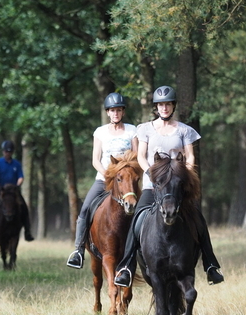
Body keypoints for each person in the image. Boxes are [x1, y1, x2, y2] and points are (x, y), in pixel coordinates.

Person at [114, 85, 224, 288]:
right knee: (137, 219)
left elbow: (189, 157)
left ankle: (210, 265)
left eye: (168, 104)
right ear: (156, 107)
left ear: (173, 106)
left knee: (198, 218)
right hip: (151, 186)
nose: (164, 108)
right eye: (161, 105)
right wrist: (152, 176)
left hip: (176, 187)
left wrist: (183, 176)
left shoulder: (184, 130)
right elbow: (141, 156)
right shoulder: (145, 129)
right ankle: (126, 267)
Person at [66, 93, 139, 269]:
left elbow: (136, 157)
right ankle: (78, 251)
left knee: (143, 209)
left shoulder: (132, 130)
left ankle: (143, 250)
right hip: (104, 179)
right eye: (113, 110)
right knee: (85, 210)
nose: (116, 113)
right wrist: (109, 174)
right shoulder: (100, 132)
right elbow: (95, 160)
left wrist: (126, 175)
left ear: (123, 112)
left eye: (119, 110)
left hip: (127, 182)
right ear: (108, 112)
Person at [0, 140, 34, 242]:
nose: (8, 153)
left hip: (13, 191)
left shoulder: (16, 164)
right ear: (3, 152)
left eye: (10, 152)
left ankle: (27, 232)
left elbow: (21, 177)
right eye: (6, 151)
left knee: (24, 208)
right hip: (1, 190)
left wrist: (17, 185)